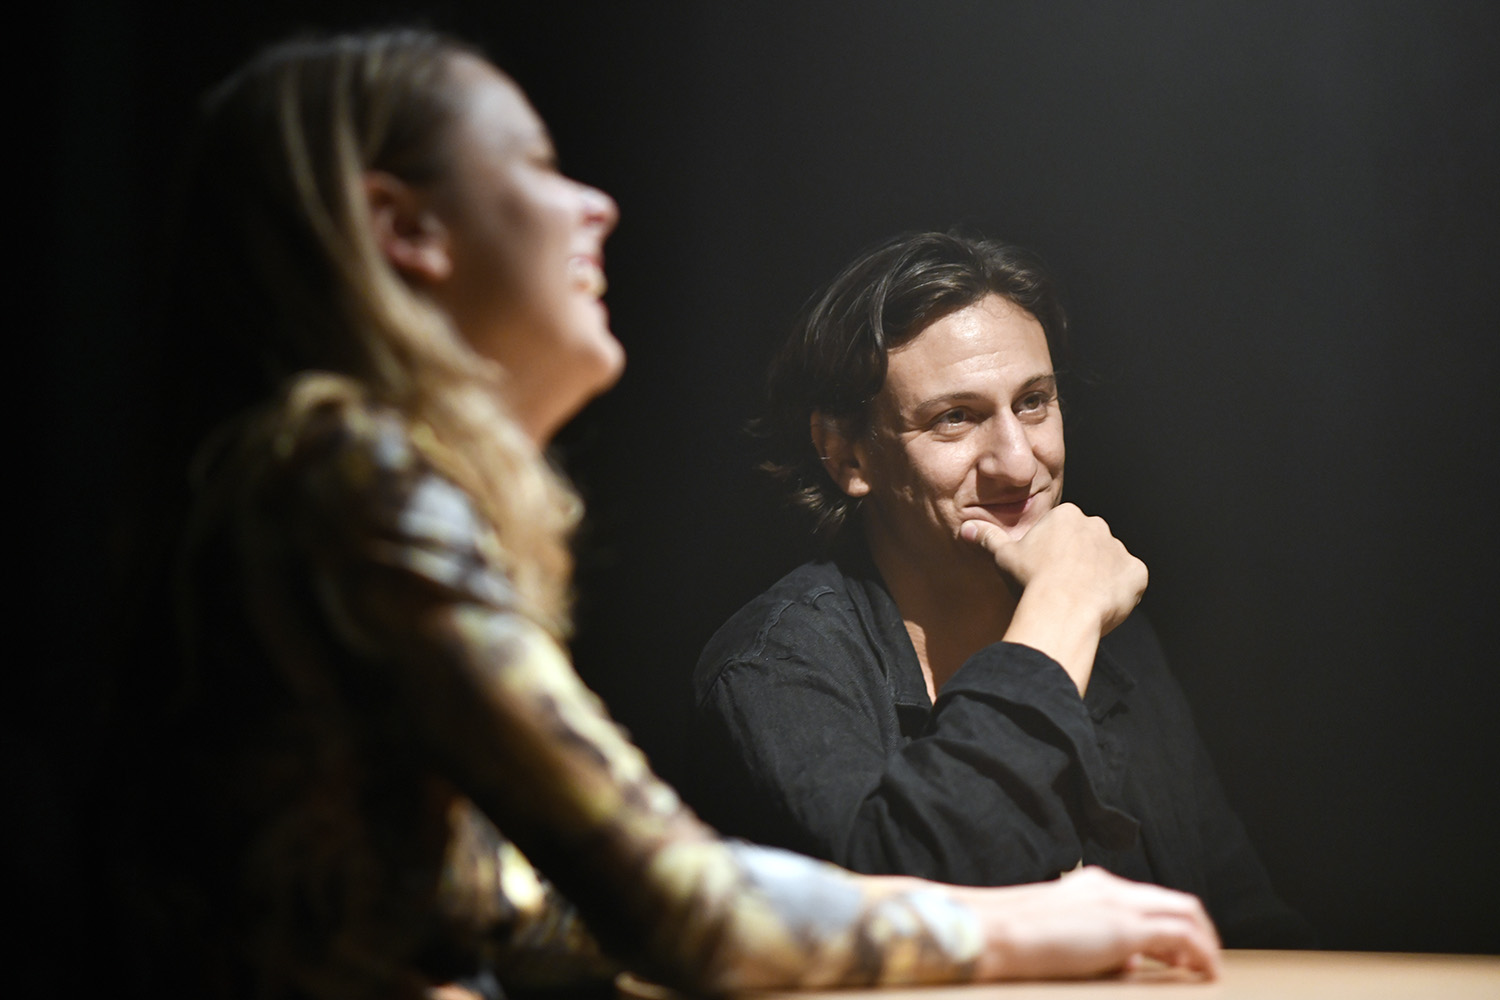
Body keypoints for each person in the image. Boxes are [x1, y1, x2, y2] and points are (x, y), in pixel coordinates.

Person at [109, 30, 1226, 1000]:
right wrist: (1018, 921)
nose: (595, 204)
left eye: (1035, 402)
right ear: (405, 227)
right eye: (536, 168)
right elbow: (678, 900)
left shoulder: (325, 489)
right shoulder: (346, 482)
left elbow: (541, 909)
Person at [686, 232, 1314, 949]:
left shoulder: (1116, 641)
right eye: (954, 418)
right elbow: (921, 920)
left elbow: (1243, 923)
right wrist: (1059, 615)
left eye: (1035, 402)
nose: (1018, 464)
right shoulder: (775, 666)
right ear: (847, 455)